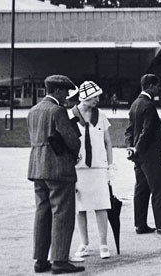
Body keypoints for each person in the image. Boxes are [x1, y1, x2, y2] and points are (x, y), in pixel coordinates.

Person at [27, 75, 85, 274]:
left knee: (42, 213)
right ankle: (60, 261)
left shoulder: (33, 111)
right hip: (59, 168)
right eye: (65, 92)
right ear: (58, 91)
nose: (67, 96)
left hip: (37, 167)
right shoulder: (58, 111)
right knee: (62, 213)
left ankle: (40, 260)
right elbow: (72, 141)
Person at [125, 74, 161, 235]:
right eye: (157, 86)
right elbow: (147, 131)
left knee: (141, 189)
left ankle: (140, 224)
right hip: (150, 155)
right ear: (150, 86)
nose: (159, 88)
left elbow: (129, 130)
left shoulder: (135, 104)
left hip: (138, 156)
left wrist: (130, 147)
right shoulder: (148, 105)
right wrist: (138, 147)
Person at [69, 81, 116, 260]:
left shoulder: (101, 115)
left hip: (98, 167)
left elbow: (108, 142)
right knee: (80, 208)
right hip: (78, 169)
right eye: (95, 96)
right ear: (85, 98)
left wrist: (110, 166)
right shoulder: (70, 116)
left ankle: (103, 243)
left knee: (101, 206)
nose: (98, 99)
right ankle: (84, 243)